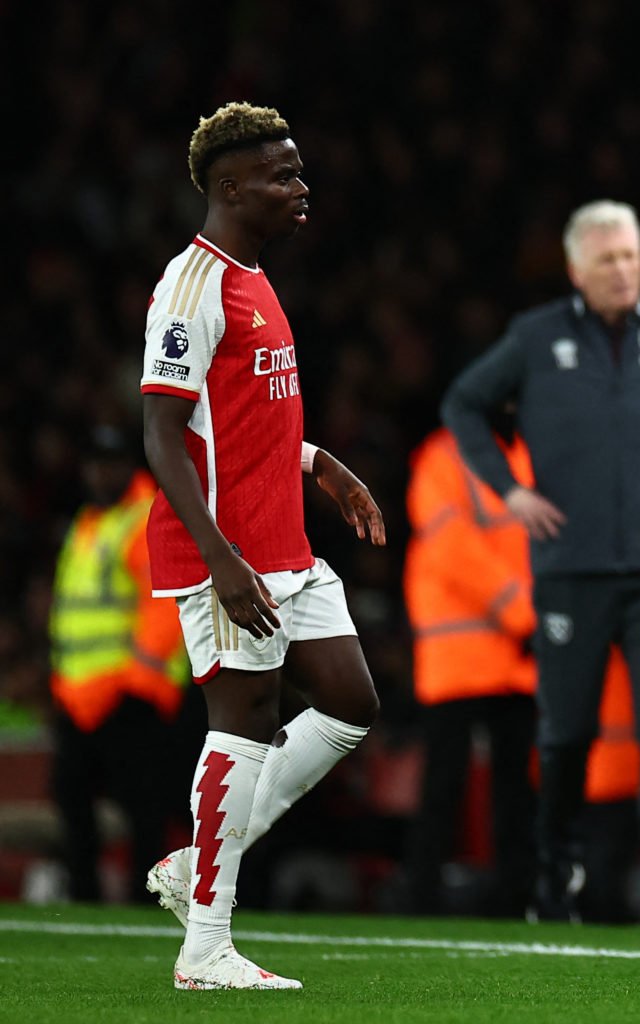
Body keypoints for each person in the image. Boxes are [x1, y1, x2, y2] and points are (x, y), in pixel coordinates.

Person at [441, 200, 640, 926]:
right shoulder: (536, 338)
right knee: (566, 735)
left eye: (631, 255)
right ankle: (554, 881)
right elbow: (464, 403)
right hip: (570, 570)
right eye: (607, 260)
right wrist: (510, 492)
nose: (623, 270)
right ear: (575, 270)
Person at [138, 102, 386, 991]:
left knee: (351, 704)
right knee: (239, 722)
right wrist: (220, 559)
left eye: (299, 170)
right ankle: (205, 947)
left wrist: (319, 464)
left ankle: (191, 860)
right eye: (283, 175)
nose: (300, 187)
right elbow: (162, 435)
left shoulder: (255, 275)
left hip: (282, 536)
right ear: (231, 188)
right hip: (227, 553)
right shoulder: (191, 287)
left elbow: (239, 420)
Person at [401, 426, 640, 919]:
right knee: (450, 785)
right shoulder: (444, 458)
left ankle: (512, 897)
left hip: (513, 655)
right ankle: (422, 898)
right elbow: (452, 546)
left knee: (513, 789)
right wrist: (524, 612)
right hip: (467, 652)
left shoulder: (529, 458)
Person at [49, 425, 192, 903]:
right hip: (79, 694)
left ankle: (143, 900)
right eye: (93, 462)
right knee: (75, 802)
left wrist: (139, 682)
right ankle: (86, 898)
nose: (99, 472)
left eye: (108, 462)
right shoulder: (88, 523)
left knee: (144, 810)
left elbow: (162, 605)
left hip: (130, 694)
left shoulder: (143, 515)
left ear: (125, 465)